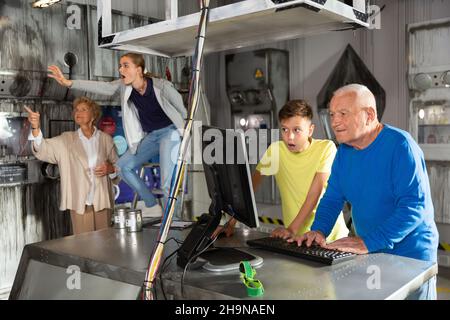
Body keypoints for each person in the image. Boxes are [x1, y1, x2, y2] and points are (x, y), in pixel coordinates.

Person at [289, 84, 439, 300]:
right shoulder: (344, 153)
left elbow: (414, 207)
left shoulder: (401, 146)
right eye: (332, 114)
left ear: (369, 115)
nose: (334, 121)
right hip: (371, 252)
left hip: (410, 256)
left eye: (343, 113)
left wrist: (368, 241)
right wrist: (319, 230)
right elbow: (332, 199)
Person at [48, 52, 187, 218]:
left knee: (166, 184)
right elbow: (103, 87)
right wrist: (68, 83)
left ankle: (175, 221)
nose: (121, 69)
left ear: (139, 70)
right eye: (120, 65)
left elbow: (183, 111)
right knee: (121, 167)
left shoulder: (162, 86)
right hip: (151, 136)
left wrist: (185, 136)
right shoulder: (124, 86)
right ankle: (152, 204)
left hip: (170, 133)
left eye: (126, 65)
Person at [217, 100, 349, 241]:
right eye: (284, 129)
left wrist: (291, 229)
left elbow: (314, 195)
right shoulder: (275, 151)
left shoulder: (326, 148)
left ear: (310, 130)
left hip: (330, 237)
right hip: (295, 239)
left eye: (296, 130)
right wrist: (230, 223)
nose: (289, 137)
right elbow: (249, 189)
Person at [26, 97, 119, 235]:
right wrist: (35, 127)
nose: (78, 112)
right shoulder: (66, 139)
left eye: (83, 109)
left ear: (93, 115)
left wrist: (111, 169)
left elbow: (118, 167)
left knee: (105, 246)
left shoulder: (106, 139)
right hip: (80, 203)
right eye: (76, 109)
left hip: (102, 201)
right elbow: (43, 149)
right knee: (84, 248)